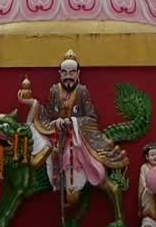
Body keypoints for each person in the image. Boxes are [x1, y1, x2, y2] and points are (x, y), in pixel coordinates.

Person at [28, 49, 129, 203]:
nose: (68, 76)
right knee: (45, 150)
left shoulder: (82, 92)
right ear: (60, 73)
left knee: (76, 156)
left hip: (77, 137)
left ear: (78, 74)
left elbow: (92, 118)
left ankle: (75, 186)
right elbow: (47, 116)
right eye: (65, 72)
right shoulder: (54, 91)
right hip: (57, 136)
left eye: (72, 72)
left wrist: (73, 122)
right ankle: (56, 183)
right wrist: (55, 121)